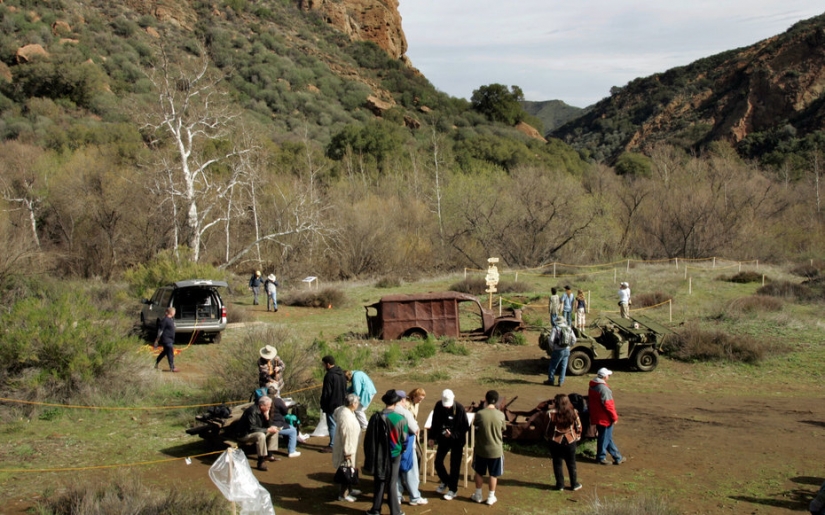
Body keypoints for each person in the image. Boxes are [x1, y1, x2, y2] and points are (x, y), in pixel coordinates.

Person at [364, 390, 408, 515]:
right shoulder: (401, 419)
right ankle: (395, 511)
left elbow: (369, 438)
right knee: (392, 483)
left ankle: (375, 509)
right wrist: (401, 449)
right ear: (395, 403)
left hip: (379, 455)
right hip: (395, 454)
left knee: (379, 481)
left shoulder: (375, 417)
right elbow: (404, 440)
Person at [429, 389, 470, 501]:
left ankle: (453, 489)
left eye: (448, 405)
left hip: (457, 440)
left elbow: (465, 427)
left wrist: (452, 435)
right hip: (443, 439)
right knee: (438, 462)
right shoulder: (438, 406)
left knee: (455, 465)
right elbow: (435, 422)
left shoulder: (460, 408)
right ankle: (446, 481)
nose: (447, 407)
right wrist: (431, 437)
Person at [470, 390, 506, 506]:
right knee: (493, 474)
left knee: (479, 472)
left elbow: (475, 425)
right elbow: (503, 429)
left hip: (481, 449)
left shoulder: (480, 414)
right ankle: (491, 496)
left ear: (486, 399)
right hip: (496, 450)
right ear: (496, 401)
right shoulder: (501, 415)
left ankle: (478, 495)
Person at [394, 390, 428, 506]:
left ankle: (397, 496)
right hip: (406, 445)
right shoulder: (405, 412)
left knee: (396, 472)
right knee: (411, 471)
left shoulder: (387, 411)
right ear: (403, 400)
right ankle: (415, 497)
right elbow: (415, 429)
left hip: (393, 446)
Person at [589, 368, 625, 465]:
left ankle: (617, 456)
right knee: (604, 437)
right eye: (608, 375)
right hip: (604, 418)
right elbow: (608, 405)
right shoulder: (604, 389)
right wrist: (614, 417)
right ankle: (601, 457)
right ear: (605, 376)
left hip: (596, 415)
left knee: (606, 437)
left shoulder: (593, 386)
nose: (609, 377)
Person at [546, 393, 583, 491]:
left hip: (555, 441)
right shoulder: (573, 412)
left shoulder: (551, 414)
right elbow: (578, 426)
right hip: (570, 440)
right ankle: (574, 484)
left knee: (557, 463)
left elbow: (547, 428)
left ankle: (560, 485)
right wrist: (578, 435)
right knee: (571, 463)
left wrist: (547, 437)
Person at [236, 396, 280, 471]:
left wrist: (267, 418)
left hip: (256, 431)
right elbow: (252, 428)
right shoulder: (252, 411)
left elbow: (268, 426)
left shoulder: (264, 411)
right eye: (268, 406)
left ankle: (269, 454)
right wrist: (267, 429)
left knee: (274, 430)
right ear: (262, 406)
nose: (269, 408)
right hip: (244, 434)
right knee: (261, 435)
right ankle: (261, 461)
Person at [332, 393, 362, 502]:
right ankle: (343, 494)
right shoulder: (346, 416)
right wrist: (348, 451)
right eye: (357, 402)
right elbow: (347, 435)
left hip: (349, 445)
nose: (358, 404)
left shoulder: (344, 411)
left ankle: (350, 489)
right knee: (346, 469)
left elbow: (335, 414)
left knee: (351, 469)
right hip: (347, 447)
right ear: (353, 404)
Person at [319, 355, 346, 453]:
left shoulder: (329, 375)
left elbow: (326, 392)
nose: (323, 366)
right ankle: (340, 443)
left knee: (332, 425)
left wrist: (323, 404)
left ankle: (333, 445)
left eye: (323, 364)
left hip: (331, 404)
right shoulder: (341, 373)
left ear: (328, 364)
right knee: (339, 424)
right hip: (341, 403)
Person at [267, 387, 301, 458]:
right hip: (276, 425)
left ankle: (287, 445)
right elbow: (285, 412)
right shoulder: (278, 401)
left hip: (267, 425)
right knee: (293, 430)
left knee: (287, 426)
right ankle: (292, 451)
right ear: (275, 393)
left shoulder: (264, 400)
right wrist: (285, 405)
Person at [543, 319, 576, 387]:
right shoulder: (569, 328)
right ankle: (561, 381)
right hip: (566, 350)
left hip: (558, 350)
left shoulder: (555, 328)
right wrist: (569, 345)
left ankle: (551, 380)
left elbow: (551, 340)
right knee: (563, 366)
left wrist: (553, 348)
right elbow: (574, 339)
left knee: (553, 365)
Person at [153, 307, 179, 372]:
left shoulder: (170, 320)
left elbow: (173, 326)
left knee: (164, 352)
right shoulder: (165, 320)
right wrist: (157, 340)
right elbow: (160, 331)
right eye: (174, 312)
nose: (174, 313)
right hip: (166, 340)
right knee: (170, 353)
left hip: (170, 339)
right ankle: (172, 367)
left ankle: (154, 363)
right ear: (172, 313)